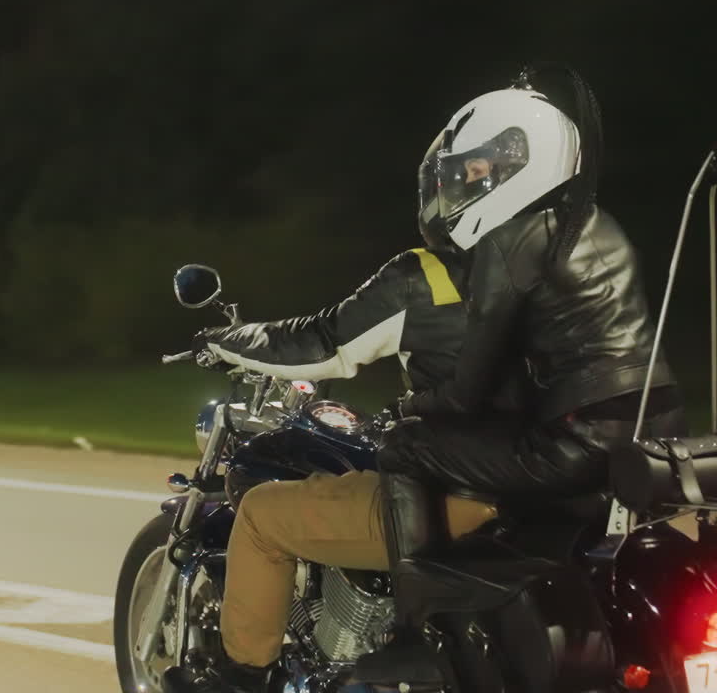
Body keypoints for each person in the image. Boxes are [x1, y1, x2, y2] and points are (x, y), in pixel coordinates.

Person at [164, 63, 686, 693]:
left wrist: (230, 339)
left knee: (261, 516)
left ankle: (238, 678)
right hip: (566, 487)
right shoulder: (574, 248)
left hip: (475, 493)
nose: (457, 189)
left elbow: (324, 345)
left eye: (472, 174)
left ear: (509, 169)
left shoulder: (433, 275)